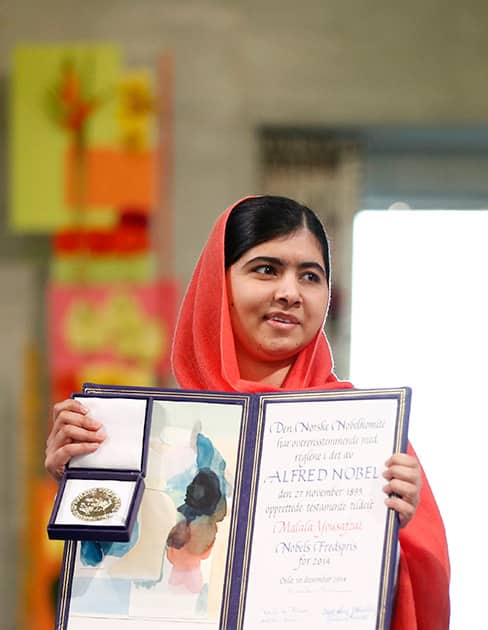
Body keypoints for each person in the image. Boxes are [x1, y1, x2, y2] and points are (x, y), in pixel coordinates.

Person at [46, 195, 450, 629]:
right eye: (266, 269)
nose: (289, 293)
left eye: (310, 276)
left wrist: (395, 532)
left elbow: (421, 592)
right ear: (219, 287)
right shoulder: (157, 433)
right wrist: (84, 478)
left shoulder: (369, 437)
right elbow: (107, 586)